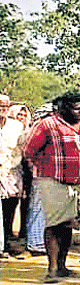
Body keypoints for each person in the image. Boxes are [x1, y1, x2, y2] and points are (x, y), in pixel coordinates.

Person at [23, 91, 80, 283]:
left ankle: (62, 266)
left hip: (78, 182)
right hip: (52, 180)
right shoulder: (47, 125)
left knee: (69, 223)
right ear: (64, 108)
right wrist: (43, 170)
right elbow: (29, 151)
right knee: (54, 224)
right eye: (76, 108)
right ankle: (52, 269)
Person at [1, 93, 25, 258]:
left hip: (11, 172)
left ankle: (9, 242)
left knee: (10, 208)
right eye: (0, 106)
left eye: (5, 106)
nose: (2, 109)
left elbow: (23, 148)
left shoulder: (16, 126)